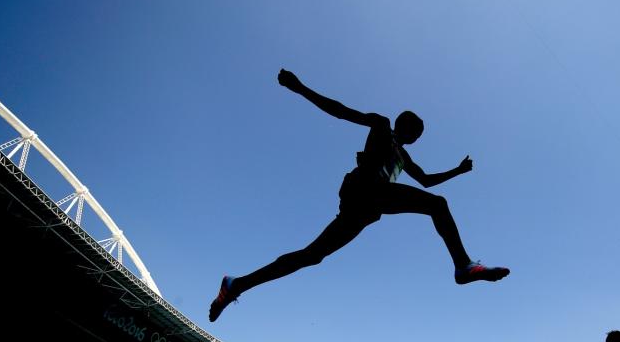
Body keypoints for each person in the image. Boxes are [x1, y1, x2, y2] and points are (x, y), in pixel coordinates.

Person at [209, 69, 510, 322]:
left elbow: (428, 181)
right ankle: (463, 266)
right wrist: (300, 88)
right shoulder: (381, 126)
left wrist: (458, 170)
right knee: (437, 205)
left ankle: (236, 284)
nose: (415, 138)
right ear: (403, 124)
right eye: (414, 131)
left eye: (417, 136)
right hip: (365, 190)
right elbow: (340, 111)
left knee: (312, 255)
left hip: (365, 210)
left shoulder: (403, 157)